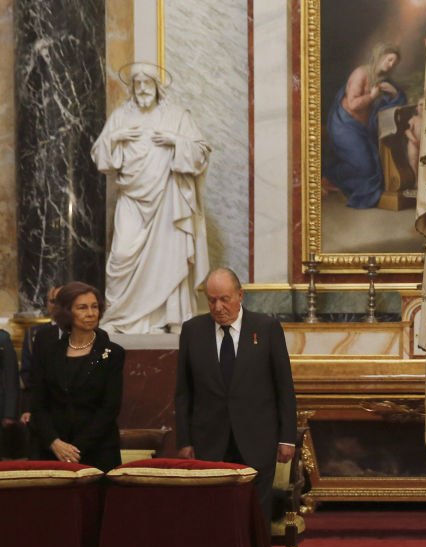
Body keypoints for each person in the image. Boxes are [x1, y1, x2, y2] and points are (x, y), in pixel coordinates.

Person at [91, 62, 211, 335]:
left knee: (169, 257)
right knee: (122, 253)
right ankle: (123, 318)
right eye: (137, 83)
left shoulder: (178, 116)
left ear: (157, 86)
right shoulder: (121, 116)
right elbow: (100, 156)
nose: (143, 88)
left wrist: (175, 141)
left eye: (147, 82)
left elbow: (201, 152)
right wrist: (115, 138)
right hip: (132, 199)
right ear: (132, 87)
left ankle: (170, 317)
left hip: (168, 200)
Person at [174, 268, 297, 522]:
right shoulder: (192, 331)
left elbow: (283, 386)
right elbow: (184, 391)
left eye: (224, 299)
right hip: (210, 441)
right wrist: (184, 440)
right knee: (213, 515)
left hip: (257, 439)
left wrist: (287, 438)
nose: (218, 307)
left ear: (240, 295)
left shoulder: (266, 328)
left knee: (255, 515)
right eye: (211, 300)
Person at [30, 282, 125, 472]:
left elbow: (109, 408)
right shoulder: (48, 352)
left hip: (97, 452)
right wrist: (55, 443)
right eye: (82, 307)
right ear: (66, 312)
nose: (91, 313)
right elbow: (38, 405)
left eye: (94, 306)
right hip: (53, 452)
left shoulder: (112, 353)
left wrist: (75, 449)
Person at [324, 44, 406, 208]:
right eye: (389, 60)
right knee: (367, 168)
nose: (391, 65)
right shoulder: (360, 74)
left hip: (361, 129)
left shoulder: (384, 80)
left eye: (394, 63)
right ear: (379, 56)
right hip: (344, 126)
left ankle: (332, 176)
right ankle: (329, 175)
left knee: (375, 166)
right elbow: (353, 105)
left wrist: (395, 93)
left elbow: (401, 100)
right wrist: (371, 96)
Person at [19, 285, 62, 425]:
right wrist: (28, 408)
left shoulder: (85, 334)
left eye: (61, 300)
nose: (56, 305)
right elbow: (28, 374)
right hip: (43, 407)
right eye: (52, 301)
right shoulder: (35, 335)